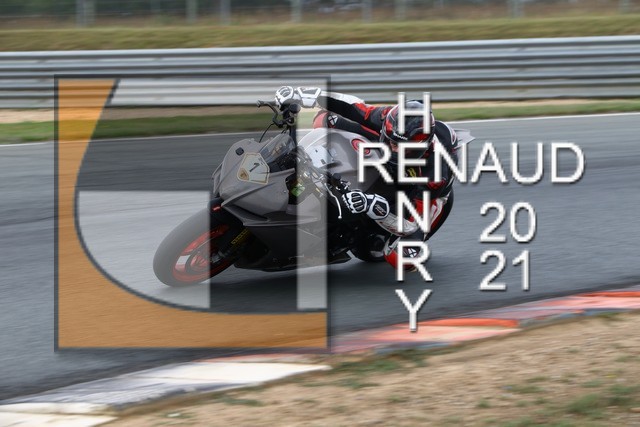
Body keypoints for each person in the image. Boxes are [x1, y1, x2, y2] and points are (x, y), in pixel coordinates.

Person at [274, 86, 459, 271]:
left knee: (402, 259)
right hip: (399, 153)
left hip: (425, 195)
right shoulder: (388, 118)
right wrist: (304, 95)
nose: (392, 148)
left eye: (400, 147)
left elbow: (411, 225)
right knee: (325, 119)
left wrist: (375, 208)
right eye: (390, 141)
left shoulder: (436, 174)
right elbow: (352, 105)